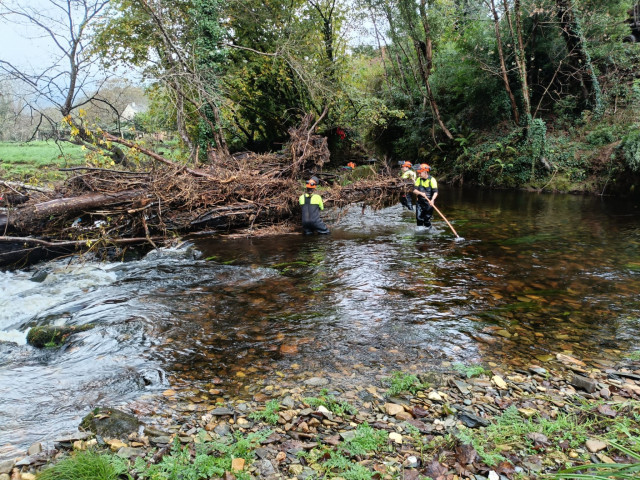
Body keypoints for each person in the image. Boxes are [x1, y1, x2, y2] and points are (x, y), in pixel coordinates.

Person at [413, 163, 438, 228]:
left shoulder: (432, 180)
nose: (418, 174)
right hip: (420, 202)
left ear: (425, 172)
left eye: (420, 173)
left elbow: (435, 192)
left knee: (426, 220)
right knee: (419, 218)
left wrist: (432, 200)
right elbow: (414, 190)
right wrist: (421, 193)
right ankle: (420, 232)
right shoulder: (419, 179)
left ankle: (428, 231)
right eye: (418, 173)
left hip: (429, 203)